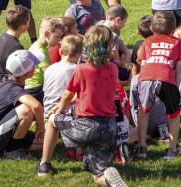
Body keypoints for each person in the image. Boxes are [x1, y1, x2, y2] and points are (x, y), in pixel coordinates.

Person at [37, 26, 128, 187]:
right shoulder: (113, 69)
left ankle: (44, 165)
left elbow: (67, 95)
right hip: (109, 128)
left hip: (86, 127)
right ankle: (106, 175)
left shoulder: (82, 69)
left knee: (52, 120)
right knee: (97, 173)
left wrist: (59, 109)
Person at [135, 11, 181, 160]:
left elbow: (142, 62)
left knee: (143, 111)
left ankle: (142, 147)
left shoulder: (147, 41)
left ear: (152, 28)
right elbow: (180, 66)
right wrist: (177, 86)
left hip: (146, 77)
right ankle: (172, 149)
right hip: (167, 78)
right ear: (174, 28)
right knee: (174, 114)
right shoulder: (177, 42)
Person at [0, 49, 45, 162]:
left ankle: (5, 149)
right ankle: (12, 150)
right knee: (26, 110)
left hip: (2, 130)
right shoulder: (12, 88)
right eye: (34, 66)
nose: (36, 67)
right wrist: (41, 128)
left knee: (44, 144)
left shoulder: (11, 80)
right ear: (28, 73)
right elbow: (36, 106)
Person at [0, 5, 31, 93]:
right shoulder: (16, 48)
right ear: (23, 26)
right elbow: (20, 74)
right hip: (7, 90)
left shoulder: (3, 37)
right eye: (28, 21)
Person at [25, 17, 65, 103]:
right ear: (47, 34)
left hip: (35, 87)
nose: (59, 40)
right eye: (57, 37)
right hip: (36, 88)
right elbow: (49, 74)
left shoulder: (38, 46)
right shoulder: (40, 52)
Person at [43, 35, 81, 118]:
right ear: (79, 54)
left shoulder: (49, 69)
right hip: (64, 112)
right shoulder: (77, 70)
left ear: (60, 51)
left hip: (47, 110)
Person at [98, 5, 131, 84]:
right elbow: (114, 52)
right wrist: (121, 64)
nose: (124, 25)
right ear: (118, 20)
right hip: (106, 67)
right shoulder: (112, 35)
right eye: (124, 22)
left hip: (93, 62)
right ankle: (126, 82)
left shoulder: (98, 24)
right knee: (130, 71)